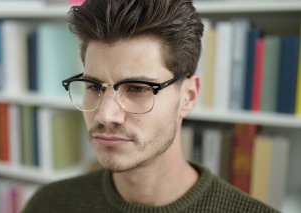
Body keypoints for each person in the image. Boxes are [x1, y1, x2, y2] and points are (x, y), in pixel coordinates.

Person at [24, 0, 278, 212]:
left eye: (137, 89)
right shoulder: (49, 204)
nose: (105, 115)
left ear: (188, 96)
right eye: (94, 86)